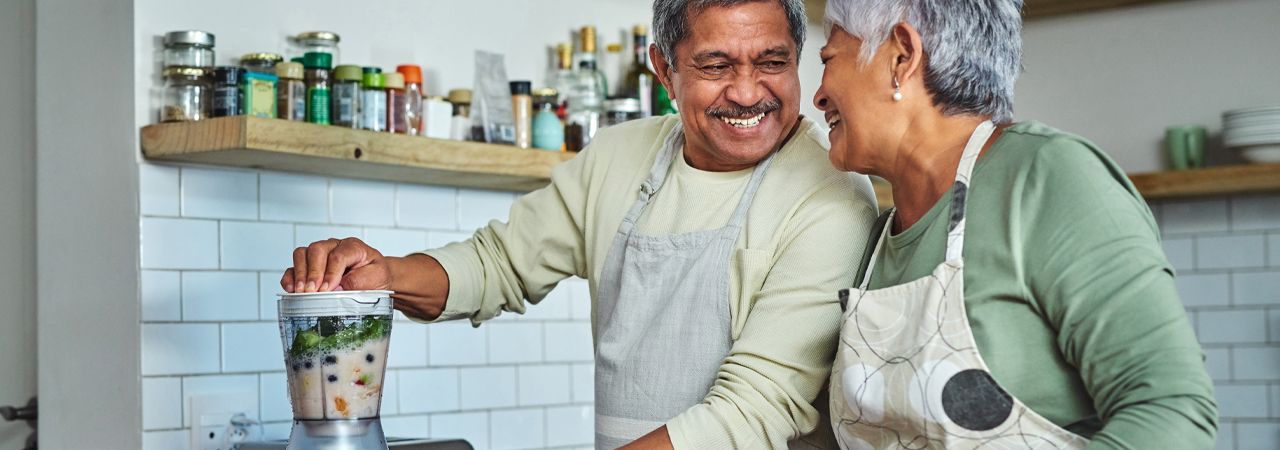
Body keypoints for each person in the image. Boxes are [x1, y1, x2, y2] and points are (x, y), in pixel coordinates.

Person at [283, 0, 879, 447]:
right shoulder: (618, 157)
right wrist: (381, 275)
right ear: (664, 72)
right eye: (715, 65)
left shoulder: (832, 196)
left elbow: (755, 409)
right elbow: (500, 263)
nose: (748, 92)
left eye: (772, 62)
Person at [812, 0, 1217, 448]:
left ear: (902, 56)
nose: (819, 95)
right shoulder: (875, 238)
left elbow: (1173, 410)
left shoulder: (1047, 176)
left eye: (829, 59)